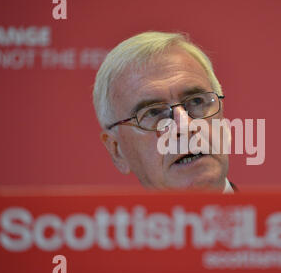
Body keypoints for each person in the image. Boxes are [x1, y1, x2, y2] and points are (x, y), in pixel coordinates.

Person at [93, 31, 236, 193]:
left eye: (196, 101)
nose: (185, 126)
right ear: (117, 151)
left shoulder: (268, 218)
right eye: (153, 112)